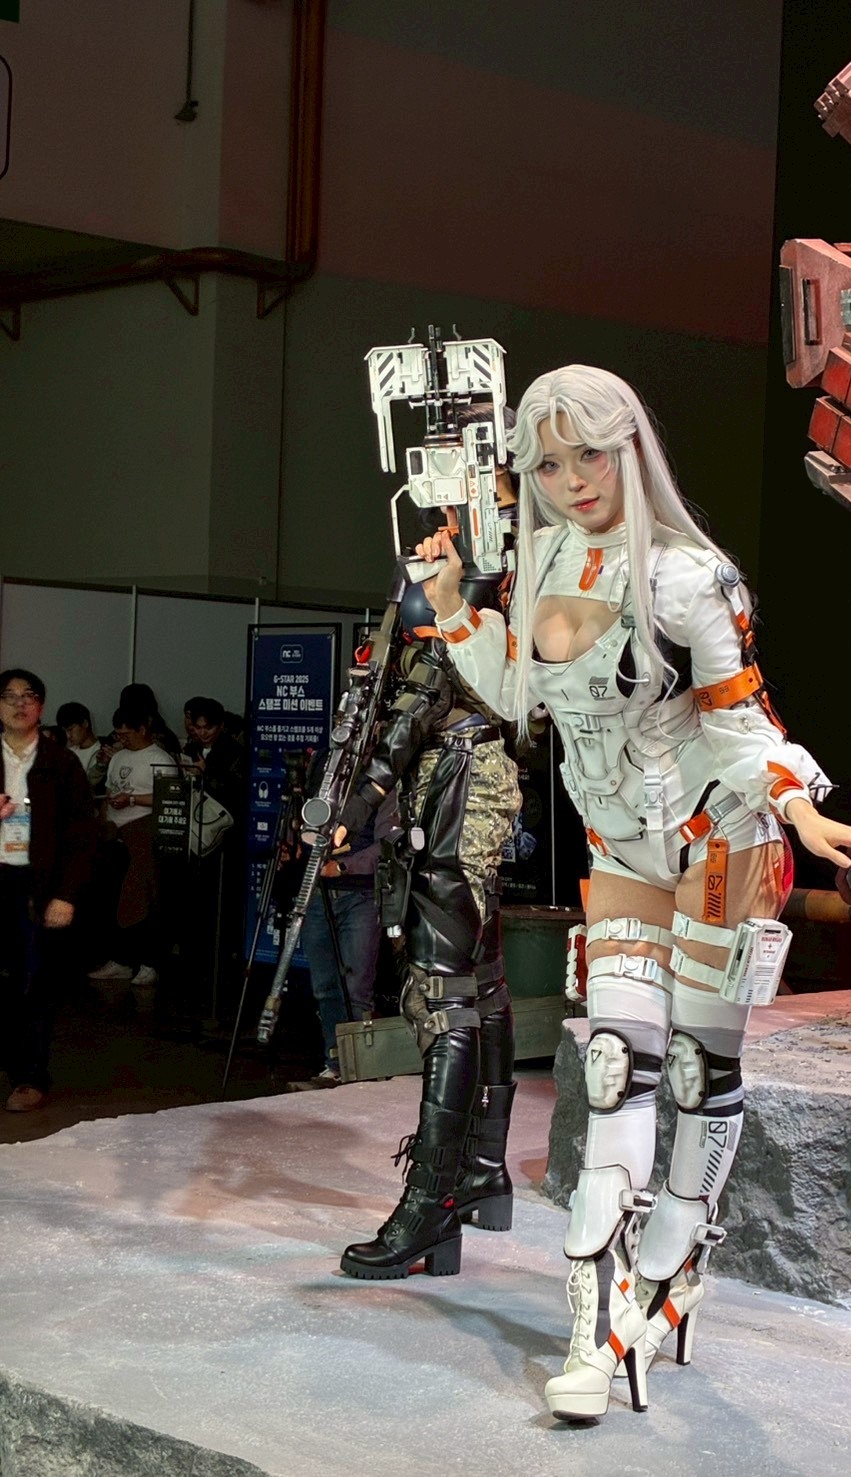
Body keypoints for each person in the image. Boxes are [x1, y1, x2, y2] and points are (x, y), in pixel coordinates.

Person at [415, 365, 851, 1421]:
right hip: (622, 849)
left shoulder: (688, 576)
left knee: (694, 1069)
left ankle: (674, 1272)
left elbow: (738, 714)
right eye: (548, 463)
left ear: (629, 448)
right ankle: (593, 1335)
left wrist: (799, 805)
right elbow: (516, 690)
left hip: (720, 838)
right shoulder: (539, 559)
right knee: (611, 1069)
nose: (572, 479)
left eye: (589, 453)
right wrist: (451, 606)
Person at [336, 406, 523, 1282]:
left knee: (445, 995)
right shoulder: (485, 550)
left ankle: (432, 1205)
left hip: (461, 784)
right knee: (476, 983)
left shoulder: (496, 556)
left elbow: (429, 689)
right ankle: (479, 1170)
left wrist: (365, 792)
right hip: (461, 781)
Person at [0, 668, 97, 1112]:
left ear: (40, 705)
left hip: (39, 885)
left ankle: (29, 1076)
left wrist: (67, 895)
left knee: (35, 982)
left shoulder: (61, 762)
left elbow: (82, 836)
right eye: (9, 696)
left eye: (29, 696)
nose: (19, 704)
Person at [291, 758, 392, 1087]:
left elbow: (388, 844)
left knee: (356, 987)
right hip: (318, 892)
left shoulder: (382, 773)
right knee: (325, 986)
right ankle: (334, 1061)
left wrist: (345, 866)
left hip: (360, 895)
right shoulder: (322, 764)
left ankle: (360, 1066)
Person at [89, 707, 177, 989]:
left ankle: (149, 962)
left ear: (142, 729)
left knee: (144, 897)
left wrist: (132, 800)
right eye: (119, 735)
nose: (122, 739)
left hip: (144, 836)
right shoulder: (119, 757)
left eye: (127, 734)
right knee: (112, 898)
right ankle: (120, 959)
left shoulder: (159, 759)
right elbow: (110, 790)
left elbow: (168, 797)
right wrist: (104, 821)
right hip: (115, 836)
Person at [182, 697, 246, 819]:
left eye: (208, 728)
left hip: (225, 817)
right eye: (198, 728)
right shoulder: (191, 748)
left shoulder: (234, 751)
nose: (203, 733)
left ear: (221, 726)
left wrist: (205, 772)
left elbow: (235, 791)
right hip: (195, 813)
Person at [57, 702, 111, 794]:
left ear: (85, 724)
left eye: (71, 729)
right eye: (65, 731)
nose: (68, 735)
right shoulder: (67, 753)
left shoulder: (104, 751)